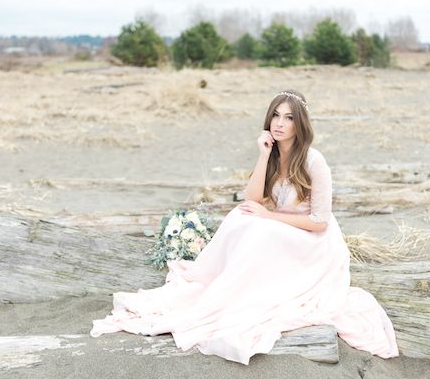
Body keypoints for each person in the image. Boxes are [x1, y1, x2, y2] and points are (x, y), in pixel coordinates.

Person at [90, 90, 399, 364]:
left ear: (300, 124)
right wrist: (264, 155)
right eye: (275, 115)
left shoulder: (314, 161)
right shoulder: (274, 155)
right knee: (242, 215)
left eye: (288, 117)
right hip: (284, 232)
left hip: (314, 242)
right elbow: (253, 197)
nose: (279, 123)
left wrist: (269, 217)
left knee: (259, 225)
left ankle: (233, 291)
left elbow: (319, 222)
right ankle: (217, 283)